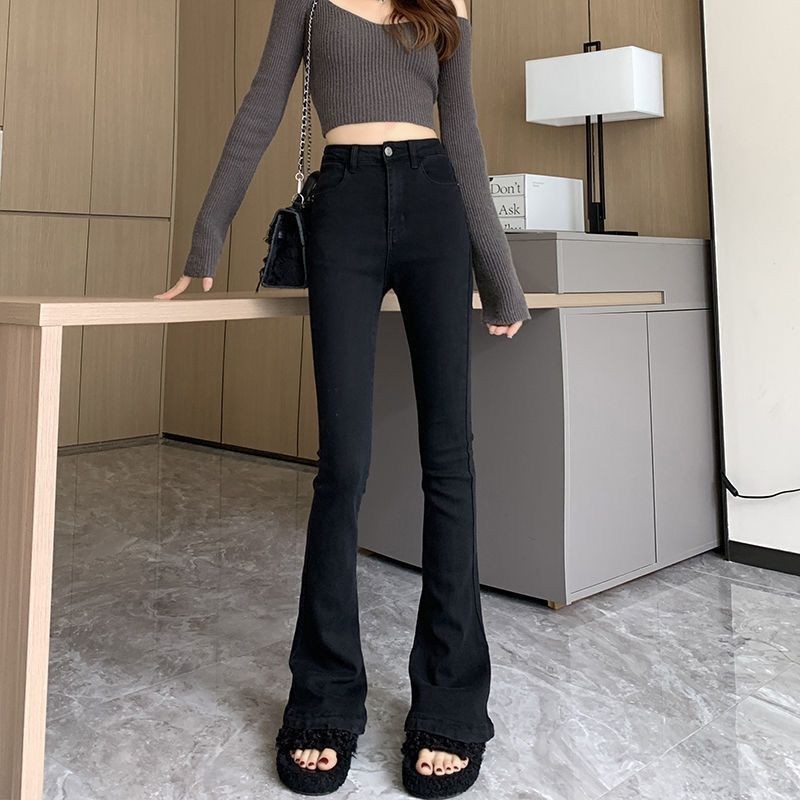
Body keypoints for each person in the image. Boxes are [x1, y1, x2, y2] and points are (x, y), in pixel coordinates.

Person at [156, 0, 530, 795]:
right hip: (345, 206)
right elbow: (263, 103)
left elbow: (463, 135)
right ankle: (324, 694)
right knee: (344, 465)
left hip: (433, 202)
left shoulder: (448, 4)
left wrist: (499, 273)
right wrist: (208, 232)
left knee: (449, 460)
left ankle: (452, 699)